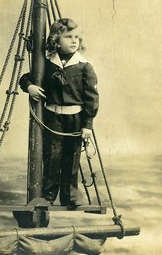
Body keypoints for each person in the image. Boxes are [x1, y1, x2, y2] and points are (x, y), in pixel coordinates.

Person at [19, 18, 99, 209]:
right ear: (55, 40)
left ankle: (70, 198)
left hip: (75, 119)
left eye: (76, 37)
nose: (74, 41)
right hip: (52, 118)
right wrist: (29, 86)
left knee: (71, 159)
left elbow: (92, 98)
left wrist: (87, 126)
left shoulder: (84, 66)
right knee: (52, 157)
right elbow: (25, 78)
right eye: (68, 37)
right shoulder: (47, 64)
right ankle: (47, 197)